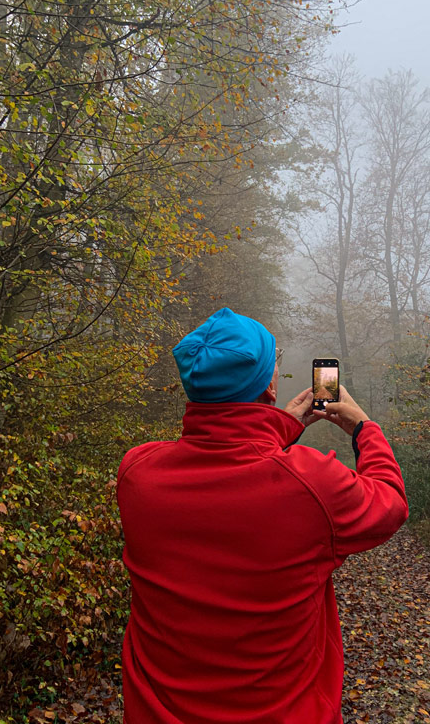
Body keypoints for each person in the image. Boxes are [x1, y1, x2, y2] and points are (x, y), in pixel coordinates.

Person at [117, 307, 408, 724]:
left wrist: (279, 428)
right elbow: (390, 503)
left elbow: (231, 470)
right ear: (269, 386)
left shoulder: (137, 474)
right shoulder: (313, 485)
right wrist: (364, 428)